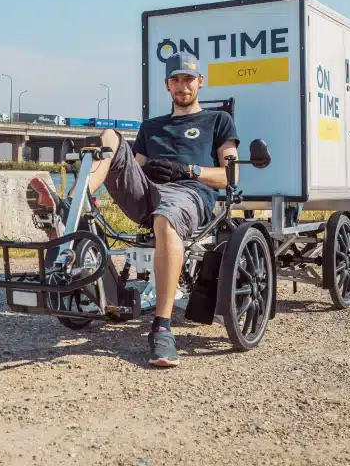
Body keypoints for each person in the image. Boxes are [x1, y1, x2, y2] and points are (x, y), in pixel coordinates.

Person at [84, 52, 238, 367]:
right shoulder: (150, 127)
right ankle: (76, 200)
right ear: (167, 85)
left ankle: (162, 329)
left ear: (200, 82)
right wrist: (146, 169)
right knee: (111, 135)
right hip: (148, 193)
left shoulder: (218, 121)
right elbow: (134, 169)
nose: (182, 86)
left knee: (164, 217)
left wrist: (189, 170)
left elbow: (231, 176)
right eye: (176, 80)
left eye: (188, 79)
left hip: (189, 194)